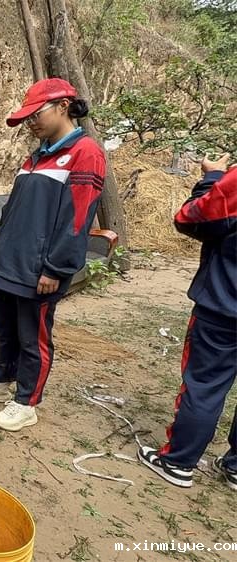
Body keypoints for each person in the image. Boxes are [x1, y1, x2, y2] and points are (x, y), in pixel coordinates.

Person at [0, 77, 106, 432]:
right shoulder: (36, 156)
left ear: (64, 106)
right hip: (9, 263)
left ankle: (26, 401)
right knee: (5, 329)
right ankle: (1, 383)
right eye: (26, 117)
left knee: (34, 337)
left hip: (39, 270)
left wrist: (56, 268)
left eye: (36, 114)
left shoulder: (85, 153)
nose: (31, 123)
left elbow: (76, 219)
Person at [137, 153, 236, 490]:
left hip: (225, 307)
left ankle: (178, 461)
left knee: (204, 384)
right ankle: (235, 467)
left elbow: (189, 219)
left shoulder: (233, 183)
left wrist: (213, 178)